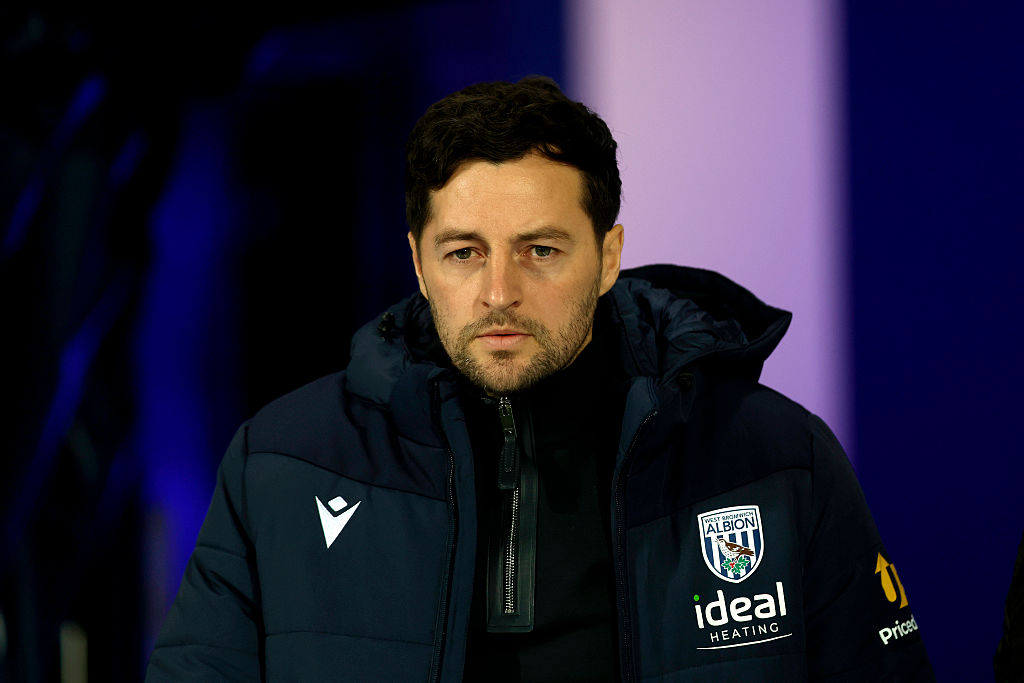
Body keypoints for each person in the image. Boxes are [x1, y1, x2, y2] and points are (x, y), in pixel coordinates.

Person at [146, 77, 933, 681]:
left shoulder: (774, 458)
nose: (499, 292)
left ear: (610, 256)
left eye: (541, 250)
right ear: (419, 261)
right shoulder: (281, 464)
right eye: (464, 252)